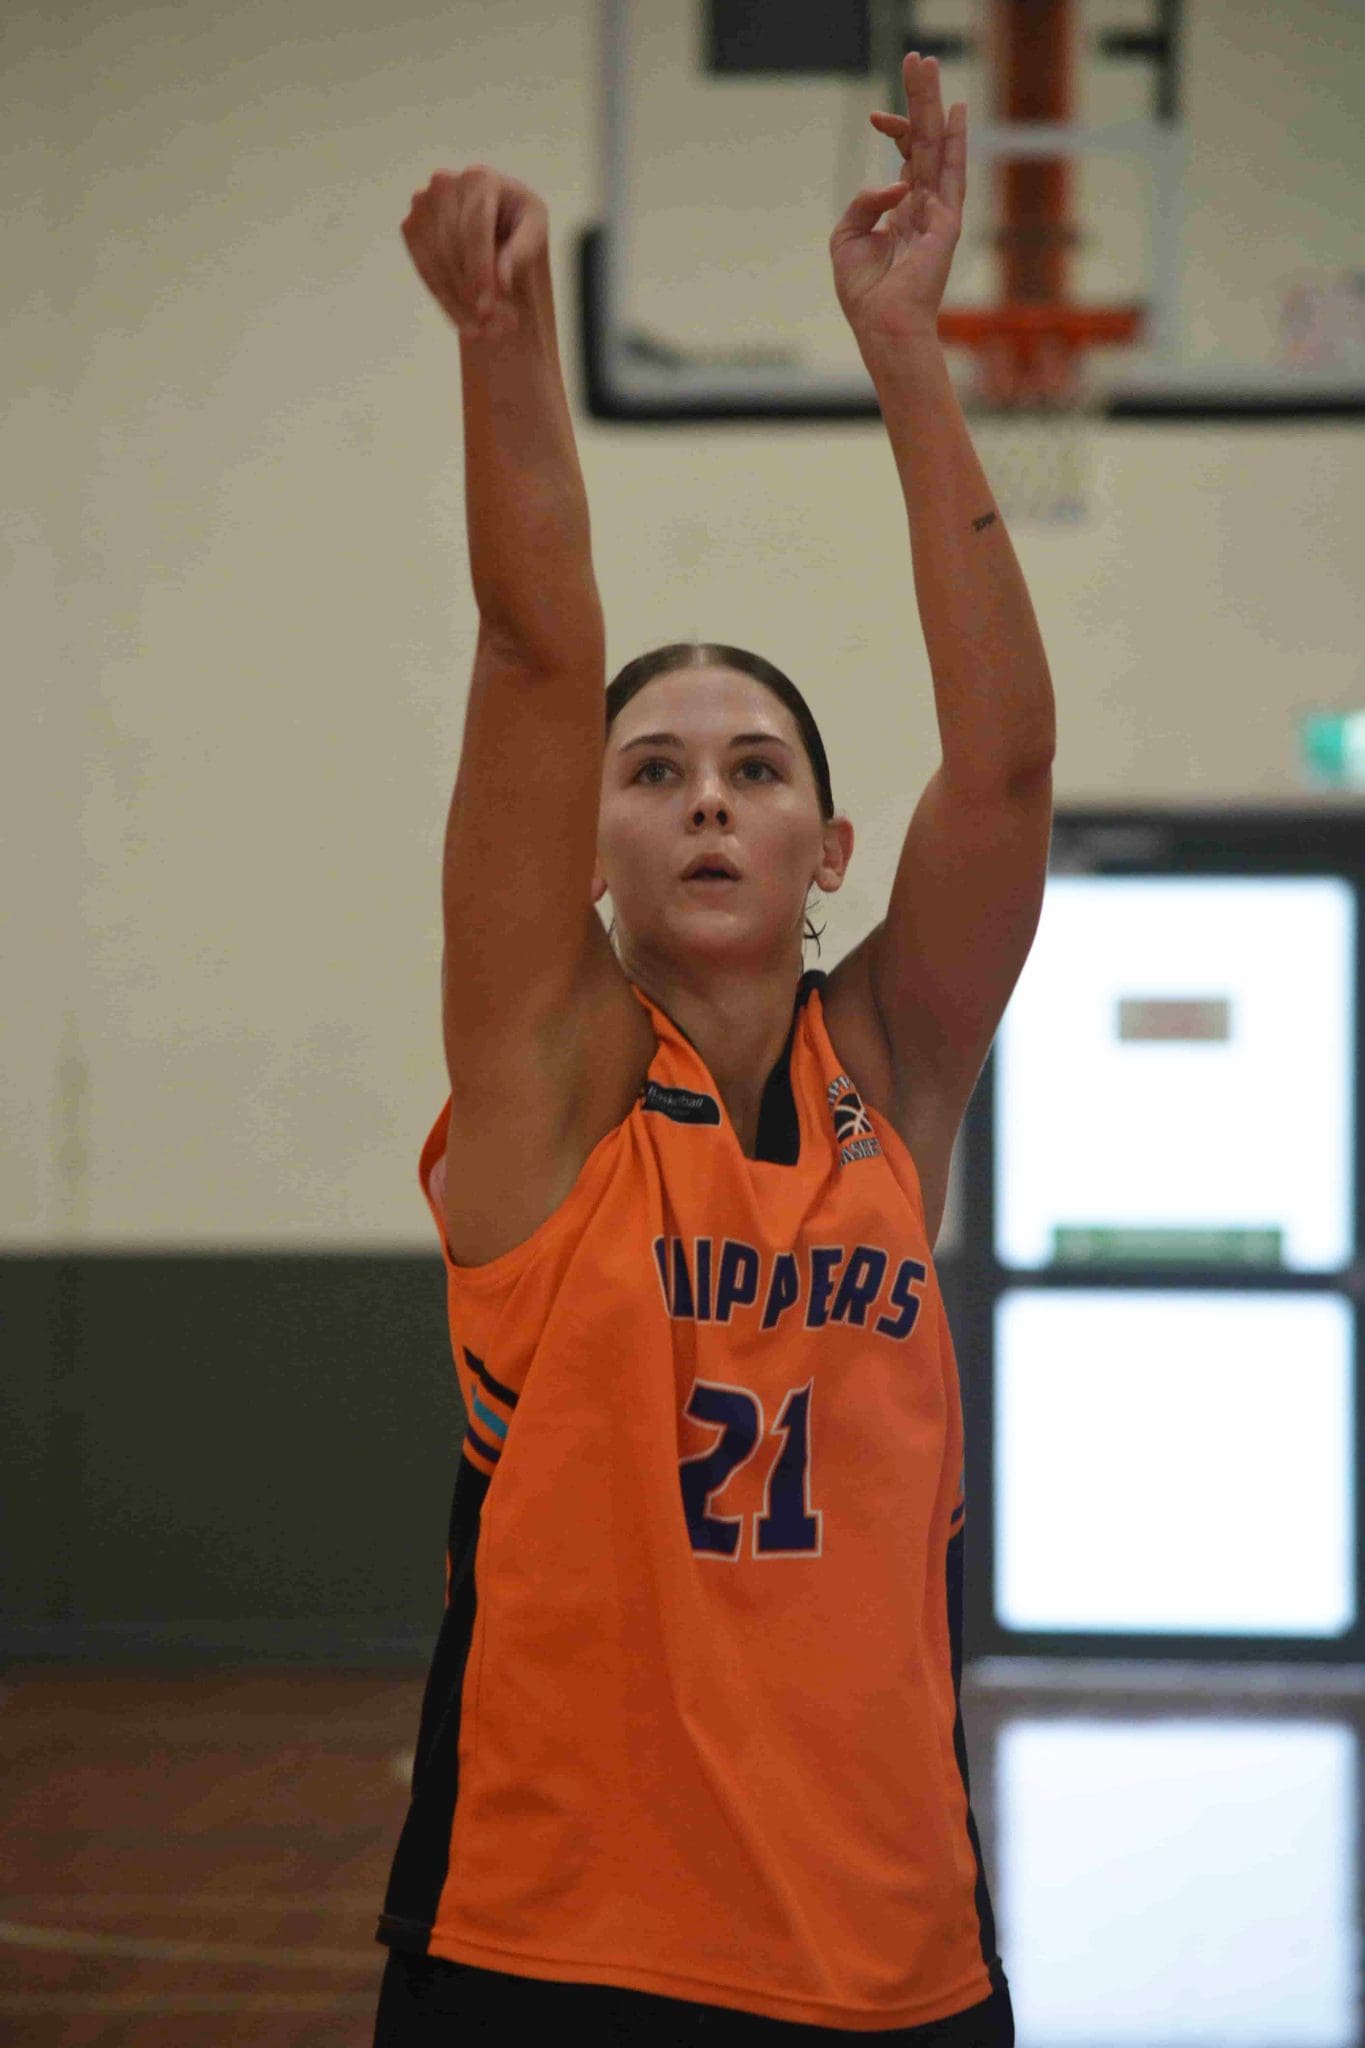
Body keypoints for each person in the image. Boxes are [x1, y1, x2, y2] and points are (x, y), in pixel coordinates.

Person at [375, 53, 1042, 2047]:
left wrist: (905, 349)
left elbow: (1002, 770)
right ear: (590, 843)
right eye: (653, 772)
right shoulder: (549, 1088)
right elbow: (533, 652)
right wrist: (506, 347)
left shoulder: (889, 1085)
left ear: (828, 848)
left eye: (754, 769)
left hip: (885, 1943)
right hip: (558, 1944)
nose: (704, 801)